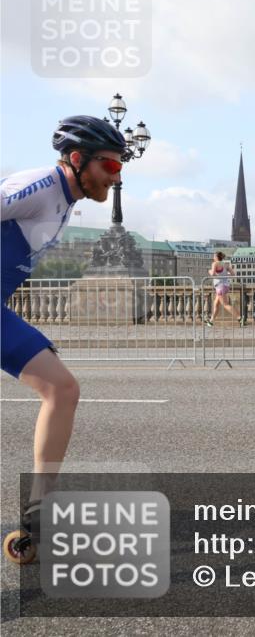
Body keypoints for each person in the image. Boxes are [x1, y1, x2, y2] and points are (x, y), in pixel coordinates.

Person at [1, 116, 126, 563]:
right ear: (78, 160)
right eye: (110, 166)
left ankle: (39, 506)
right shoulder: (39, 185)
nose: (118, 176)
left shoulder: (64, 200)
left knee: (63, 389)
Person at [205, 252, 242, 326]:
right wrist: (224, 275)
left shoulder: (215, 263)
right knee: (216, 304)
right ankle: (211, 321)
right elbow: (233, 274)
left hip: (220, 286)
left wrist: (209, 271)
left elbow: (212, 274)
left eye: (214, 256)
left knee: (225, 304)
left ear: (216, 257)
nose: (213, 258)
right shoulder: (226, 264)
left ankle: (240, 318)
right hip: (225, 285)